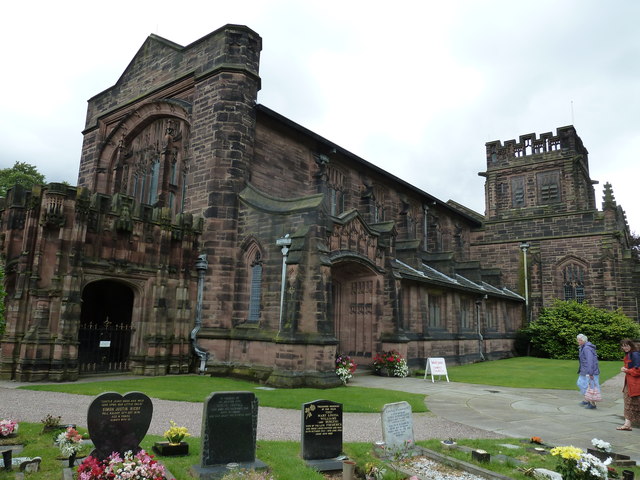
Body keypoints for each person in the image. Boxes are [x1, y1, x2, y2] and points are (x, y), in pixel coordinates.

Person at [617, 338, 640, 430]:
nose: (624, 348)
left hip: (635, 383)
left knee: (633, 403)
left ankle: (627, 424)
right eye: (623, 346)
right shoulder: (629, 354)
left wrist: (627, 370)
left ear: (631, 345)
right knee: (628, 402)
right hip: (630, 383)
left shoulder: (635, 354)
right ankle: (627, 424)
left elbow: (638, 370)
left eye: (626, 345)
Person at [576, 333, 600, 409]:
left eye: (580, 340)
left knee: (591, 387)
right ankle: (587, 399)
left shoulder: (587, 348)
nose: (578, 341)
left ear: (584, 340)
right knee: (581, 384)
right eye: (578, 340)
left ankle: (593, 404)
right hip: (584, 370)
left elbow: (590, 361)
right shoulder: (583, 347)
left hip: (589, 371)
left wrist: (590, 373)